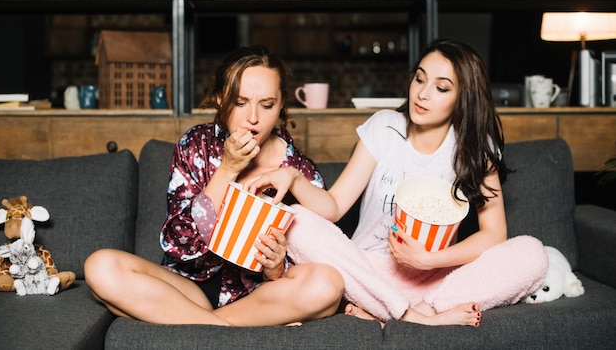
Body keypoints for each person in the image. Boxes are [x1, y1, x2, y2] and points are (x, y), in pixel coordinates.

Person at [245, 39, 548, 327]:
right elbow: (334, 206)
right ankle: (412, 316)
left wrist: (431, 260)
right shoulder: (385, 127)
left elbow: (495, 234)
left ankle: (418, 309)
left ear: (463, 99)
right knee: (297, 220)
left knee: (533, 254)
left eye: (441, 88)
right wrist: (294, 178)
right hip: (368, 274)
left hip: (438, 278)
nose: (423, 93)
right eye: (419, 79)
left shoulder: (475, 148)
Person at [84, 45, 344, 326]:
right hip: (187, 289)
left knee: (328, 285)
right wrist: (228, 168)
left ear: (281, 105)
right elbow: (177, 244)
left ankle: (196, 326)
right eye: (240, 102)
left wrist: (275, 269)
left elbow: (316, 254)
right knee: (100, 266)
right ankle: (221, 329)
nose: (253, 117)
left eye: (267, 105)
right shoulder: (197, 145)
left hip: (258, 300)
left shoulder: (298, 170)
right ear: (221, 99)